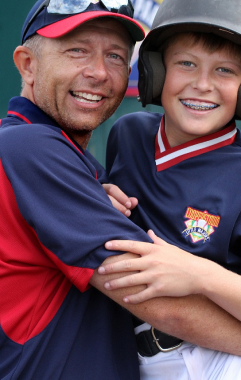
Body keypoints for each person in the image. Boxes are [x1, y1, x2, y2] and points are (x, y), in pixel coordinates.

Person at [92, 0, 241, 379]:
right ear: (155, 70)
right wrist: (103, 195)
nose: (202, 84)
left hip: (224, 360)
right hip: (128, 354)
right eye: (186, 63)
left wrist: (198, 273)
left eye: (225, 71)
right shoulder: (128, 136)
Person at [0, 0, 156, 378]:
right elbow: (158, 299)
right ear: (27, 64)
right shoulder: (28, 147)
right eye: (77, 50)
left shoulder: (69, 163)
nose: (100, 73)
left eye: (117, 56)